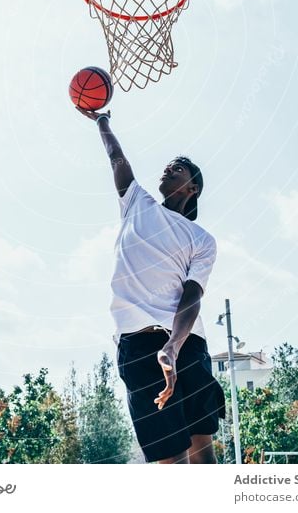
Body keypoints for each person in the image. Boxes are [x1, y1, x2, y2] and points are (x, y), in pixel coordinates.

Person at [80, 107, 225, 464]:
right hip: (138, 345)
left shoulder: (201, 239)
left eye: (179, 167)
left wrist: (173, 347)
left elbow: (192, 296)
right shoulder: (136, 203)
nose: (168, 168)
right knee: (169, 460)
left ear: (192, 187)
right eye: (168, 165)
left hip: (186, 344)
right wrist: (102, 121)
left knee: (201, 454)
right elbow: (117, 159)